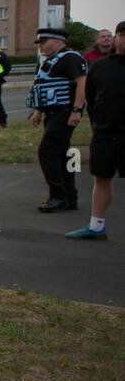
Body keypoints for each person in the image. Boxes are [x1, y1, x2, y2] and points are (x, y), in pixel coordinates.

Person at [65, 21, 124, 239]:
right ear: (117, 38)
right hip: (105, 133)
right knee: (101, 178)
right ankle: (96, 226)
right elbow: (91, 97)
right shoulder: (99, 67)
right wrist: (97, 123)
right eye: (122, 35)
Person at [28, 27, 87, 213]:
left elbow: (82, 83)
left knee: (47, 152)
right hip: (53, 114)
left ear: (57, 41)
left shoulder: (70, 58)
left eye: (43, 42)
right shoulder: (51, 61)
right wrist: (38, 111)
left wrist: (76, 110)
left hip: (64, 113)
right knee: (63, 154)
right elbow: (44, 85)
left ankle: (58, 196)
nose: (41, 46)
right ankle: (70, 197)